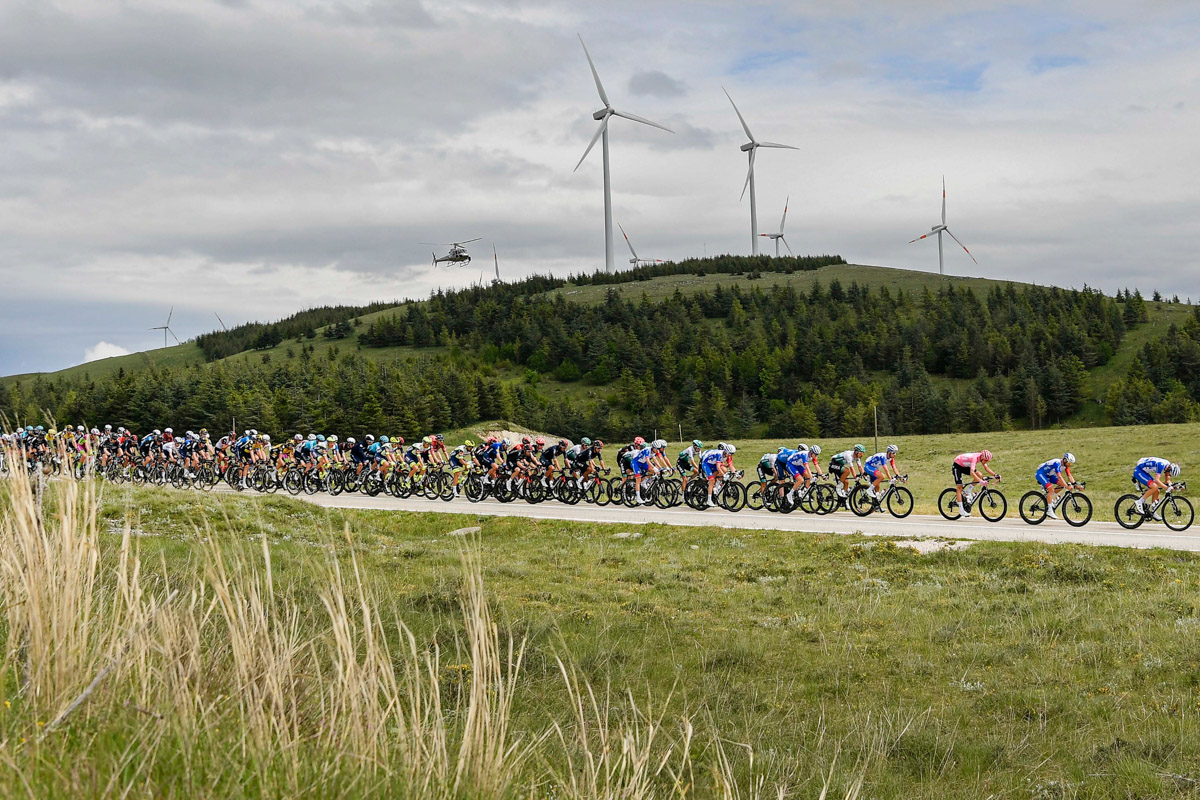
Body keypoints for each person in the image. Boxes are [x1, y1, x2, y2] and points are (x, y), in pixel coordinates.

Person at [952, 449, 998, 519]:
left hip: (964, 465)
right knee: (959, 487)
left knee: (979, 474)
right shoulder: (974, 458)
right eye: (985, 460)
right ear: (982, 458)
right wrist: (981, 481)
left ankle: (967, 492)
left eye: (987, 461)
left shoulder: (982, 457)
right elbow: (972, 473)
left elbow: (986, 468)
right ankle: (961, 510)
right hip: (957, 466)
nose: (986, 462)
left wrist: (995, 475)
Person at [1034, 452, 1076, 520]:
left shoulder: (1066, 466)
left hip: (1049, 475)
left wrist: (1075, 484)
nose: (1069, 465)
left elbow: (1069, 476)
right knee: (1051, 489)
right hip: (1041, 474)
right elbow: (1059, 476)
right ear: (1065, 460)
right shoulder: (1057, 463)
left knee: (1061, 485)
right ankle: (1049, 511)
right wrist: (1066, 486)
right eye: (1069, 463)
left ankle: (1050, 498)